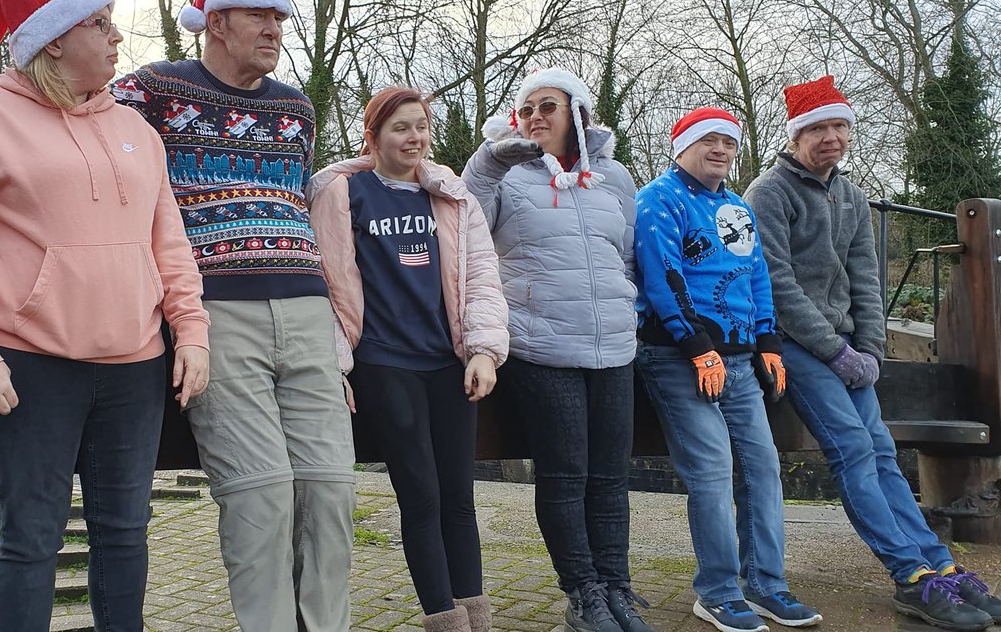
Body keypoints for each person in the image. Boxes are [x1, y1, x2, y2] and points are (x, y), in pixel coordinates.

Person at [0, 0, 211, 632]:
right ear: (53, 40)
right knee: (32, 537)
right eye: (99, 24)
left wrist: (189, 330)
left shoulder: (137, 129)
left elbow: (169, 241)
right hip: (27, 365)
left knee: (125, 534)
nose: (116, 39)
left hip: (135, 364)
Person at [112, 0, 355, 632]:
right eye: (259, 13)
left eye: (279, 14)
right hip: (216, 311)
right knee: (261, 495)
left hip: (308, 309)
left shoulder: (297, 109)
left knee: (332, 490)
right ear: (215, 22)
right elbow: (72, 116)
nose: (275, 27)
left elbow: (297, 203)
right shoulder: (152, 90)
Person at [744, 75, 1001, 632]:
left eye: (839, 125)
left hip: (849, 349)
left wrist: (871, 348)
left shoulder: (852, 195)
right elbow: (776, 284)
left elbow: (866, 274)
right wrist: (835, 351)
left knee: (883, 451)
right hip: (797, 344)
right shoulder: (769, 193)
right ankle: (910, 575)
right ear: (794, 136)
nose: (830, 136)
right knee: (855, 451)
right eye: (816, 128)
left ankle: (940, 565)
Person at [308, 87, 509, 632]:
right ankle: (443, 620)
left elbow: (481, 276)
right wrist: (336, 366)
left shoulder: (449, 193)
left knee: (459, 499)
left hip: (448, 363)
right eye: (400, 127)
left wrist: (485, 352)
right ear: (372, 136)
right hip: (384, 362)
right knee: (420, 497)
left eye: (420, 125)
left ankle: (477, 619)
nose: (414, 137)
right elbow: (327, 284)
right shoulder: (344, 194)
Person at [462, 69, 654, 632]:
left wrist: (625, 307)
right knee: (566, 477)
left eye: (549, 105)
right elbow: (463, 221)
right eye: (526, 108)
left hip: (614, 347)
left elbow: (625, 256)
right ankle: (583, 593)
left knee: (612, 478)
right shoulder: (504, 175)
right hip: (541, 346)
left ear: (577, 112)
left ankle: (617, 588)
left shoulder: (615, 178)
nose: (535, 116)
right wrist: (489, 159)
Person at [634, 107, 822, 632]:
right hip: (678, 357)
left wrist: (768, 342)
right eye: (709, 141)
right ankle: (717, 590)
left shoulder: (739, 207)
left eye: (729, 143)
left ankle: (766, 583)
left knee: (762, 467)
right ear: (684, 146)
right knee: (712, 472)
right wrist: (696, 344)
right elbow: (662, 276)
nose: (720, 150)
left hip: (741, 361)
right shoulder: (657, 201)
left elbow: (756, 276)